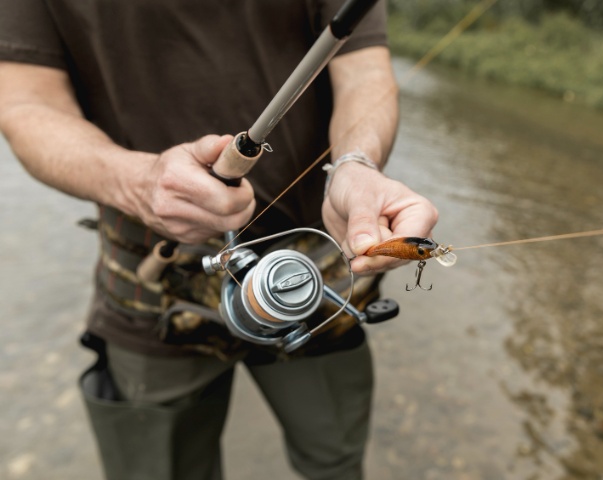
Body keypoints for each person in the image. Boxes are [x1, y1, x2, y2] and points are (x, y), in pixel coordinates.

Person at [0, 1, 438, 479]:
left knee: (336, 462)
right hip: (151, 288)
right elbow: (25, 104)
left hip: (313, 278)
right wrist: (137, 181)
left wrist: (356, 164)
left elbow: (363, 74)